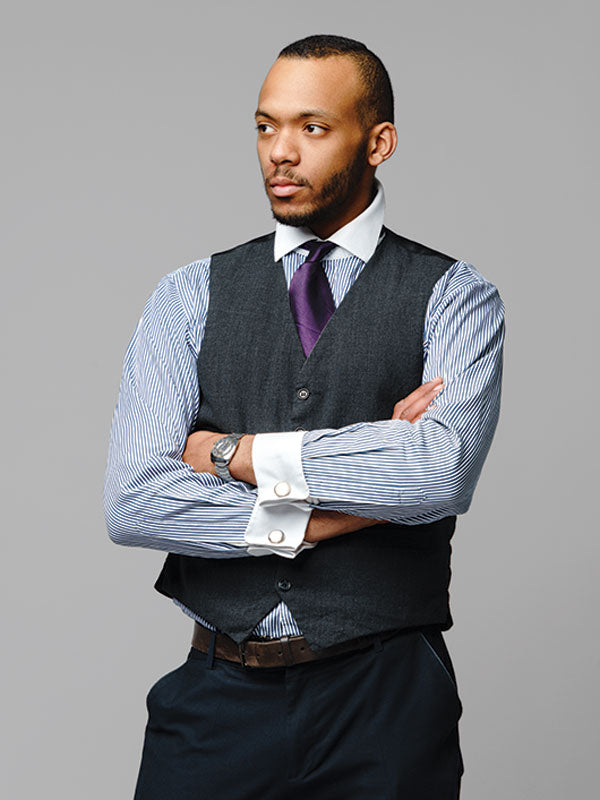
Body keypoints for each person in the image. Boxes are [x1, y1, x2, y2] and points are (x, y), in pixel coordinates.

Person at [104, 33, 505, 799]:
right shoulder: (188, 295)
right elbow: (134, 500)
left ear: (378, 141)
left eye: (312, 128)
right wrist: (341, 505)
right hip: (217, 698)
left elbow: (437, 471)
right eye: (266, 126)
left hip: (385, 702)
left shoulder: (455, 295)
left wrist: (226, 453)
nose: (280, 152)